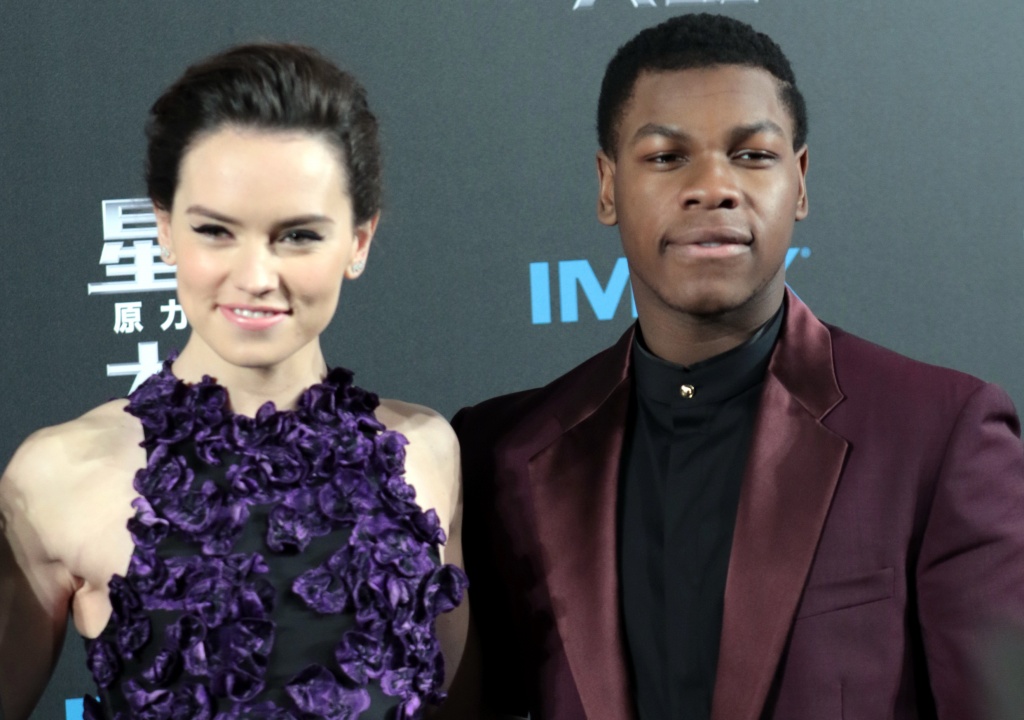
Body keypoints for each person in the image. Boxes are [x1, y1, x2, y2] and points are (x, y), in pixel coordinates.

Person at [453, 13, 1024, 720]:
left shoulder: (941, 435)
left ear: (802, 182)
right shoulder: (500, 451)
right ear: (607, 187)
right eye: (666, 157)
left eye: (752, 155)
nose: (713, 187)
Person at [0, 43, 473, 720]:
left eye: (299, 236)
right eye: (216, 231)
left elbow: (456, 701)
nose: (255, 276)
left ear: (359, 242)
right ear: (164, 228)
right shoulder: (56, 473)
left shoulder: (428, 451)